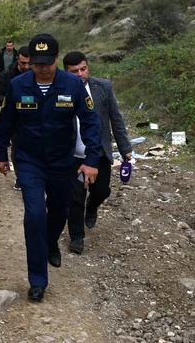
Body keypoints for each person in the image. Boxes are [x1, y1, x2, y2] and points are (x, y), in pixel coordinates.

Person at [0, 34, 102, 302]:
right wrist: (0, 152)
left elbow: (90, 122)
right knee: (33, 215)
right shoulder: (18, 85)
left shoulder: (73, 85)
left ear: (56, 58)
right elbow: (6, 121)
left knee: (58, 211)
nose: (42, 68)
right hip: (29, 160)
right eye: (36, 63)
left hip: (62, 162)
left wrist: (91, 160)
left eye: (47, 63)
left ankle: (51, 241)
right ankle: (38, 280)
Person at [62, 51, 132, 254]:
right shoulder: (60, 90)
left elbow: (116, 119)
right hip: (72, 156)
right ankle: (77, 237)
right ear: (66, 71)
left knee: (101, 191)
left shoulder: (102, 87)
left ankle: (91, 207)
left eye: (83, 69)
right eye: (74, 71)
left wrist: (125, 149)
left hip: (98, 153)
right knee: (75, 198)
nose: (80, 74)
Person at [0, 46, 31, 190]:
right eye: (23, 63)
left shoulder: (38, 74)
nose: (26, 67)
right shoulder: (7, 75)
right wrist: (11, 102)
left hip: (35, 118)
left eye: (29, 63)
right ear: (17, 60)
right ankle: (21, 178)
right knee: (17, 147)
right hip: (15, 118)